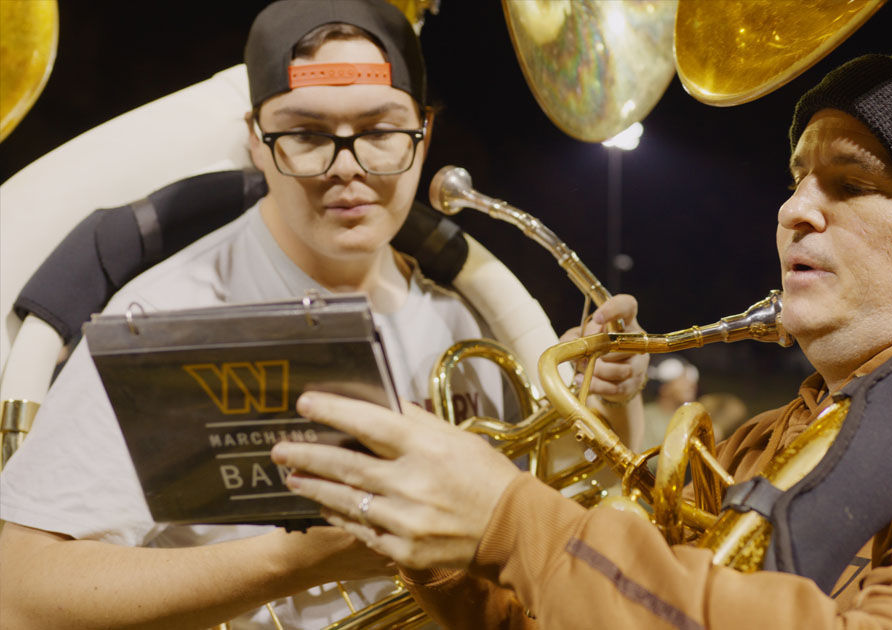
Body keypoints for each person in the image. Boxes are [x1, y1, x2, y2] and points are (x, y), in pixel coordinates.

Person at [269, 53, 892, 629]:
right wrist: (441, 538)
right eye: (798, 178)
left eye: (850, 183)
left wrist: (515, 524)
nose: (795, 209)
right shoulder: (770, 439)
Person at [0, 1, 646, 628]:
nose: (348, 170)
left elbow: (554, 532)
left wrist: (604, 405)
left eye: (381, 131)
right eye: (308, 134)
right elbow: (20, 595)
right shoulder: (165, 318)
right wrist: (304, 559)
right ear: (257, 140)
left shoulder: (462, 318)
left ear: (423, 137)